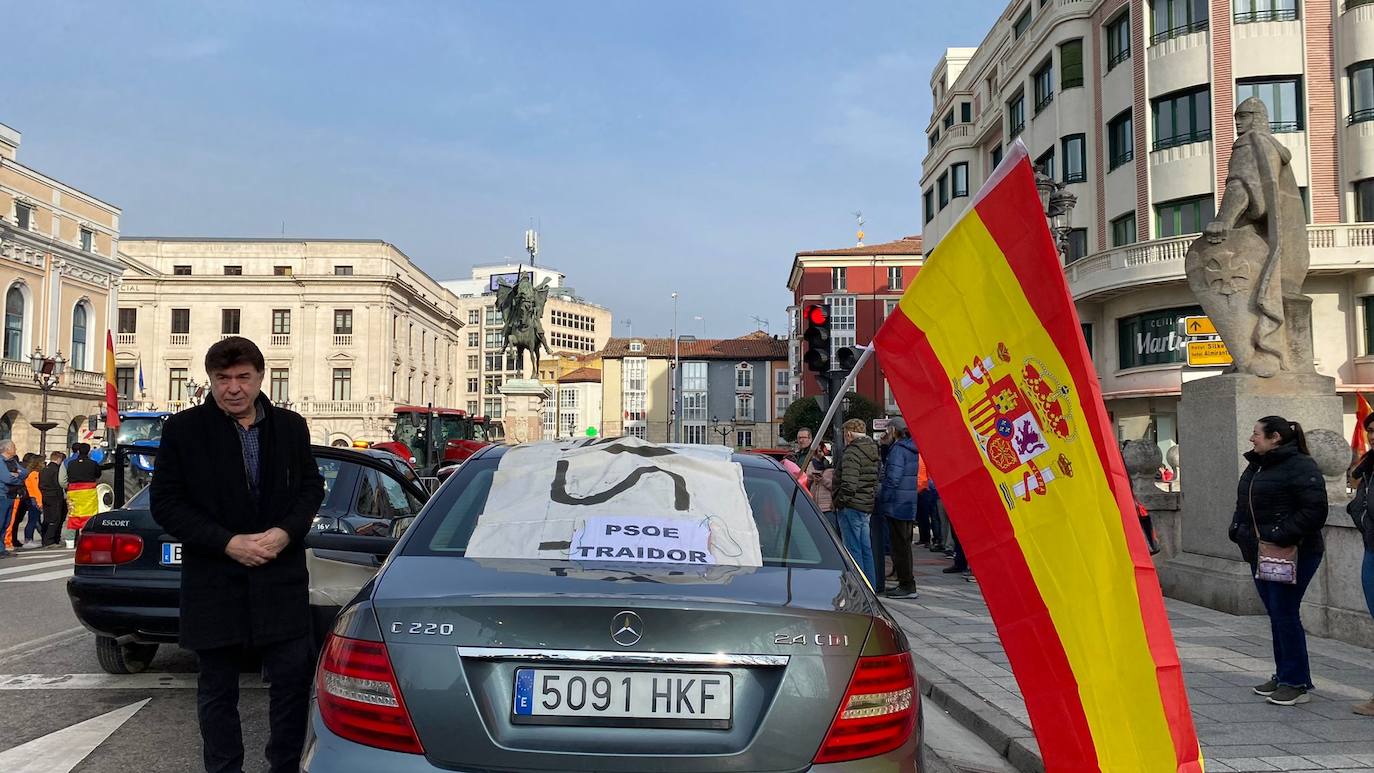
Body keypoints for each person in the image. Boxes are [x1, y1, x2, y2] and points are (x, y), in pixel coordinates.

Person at [151, 336, 324, 773]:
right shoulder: (183, 430)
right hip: (214, 581)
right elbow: (167, 503)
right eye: (222, 378)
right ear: (210, 380)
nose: (233, 388)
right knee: (216, 691)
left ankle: (283, 766)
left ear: (260, 377)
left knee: (291, 684)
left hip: (279, 578)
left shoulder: (291, 426)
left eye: (243, 377)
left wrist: (286, 533)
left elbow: (310, 488)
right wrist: (227, 542)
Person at [1227, 415, 1327, 706]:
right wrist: (1237, 530)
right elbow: (1243, 503)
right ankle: (1286, 675)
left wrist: (1277, 534)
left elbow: (1314, 511)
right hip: (1260, 552)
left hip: (1294, 551)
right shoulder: (1257, 465)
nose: (1251, 438)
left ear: (1275, 438)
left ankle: (1295, 683)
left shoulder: (1301, 466)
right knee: (1277, 614)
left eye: (1256, 433)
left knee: (1285, 613)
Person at [1348, 410, 1374, 715]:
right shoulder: (1367, 466)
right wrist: (1362, 518)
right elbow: (1360, 505)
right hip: (1371, 549)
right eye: (1370, 431)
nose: (1371, 436)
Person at [834, 418, 880, 589]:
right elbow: (875, 481)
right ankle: (870, 587)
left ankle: (859, 589)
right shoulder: (872, 450)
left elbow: (848, 484)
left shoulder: (852, 452)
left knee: (853, 550)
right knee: (865, 549)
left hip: (851, 506)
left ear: (849, 433)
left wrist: (839, 502)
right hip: (865, 504)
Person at [878, 418, 919, 599]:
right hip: (908, 502)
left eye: (887, 431)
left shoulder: (898, 450)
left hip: (897, 503)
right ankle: (906, 582)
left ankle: (907, 585)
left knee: (899, 547)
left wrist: (883, 498)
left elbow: (893, 478)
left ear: (893, 430)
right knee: (904, 545)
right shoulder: (911, 448)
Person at [64, 444, 101, 547]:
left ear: (78, 451)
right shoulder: (93, 463)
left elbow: (67, 475)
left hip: (73, 491)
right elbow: (98, 474)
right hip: (88, 491)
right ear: (89, 452)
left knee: (73, 515)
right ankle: (86, 538)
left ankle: (70, 541)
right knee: (89, 515)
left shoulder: (71, 463)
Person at [38, 452, 67, 548]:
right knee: (55, 518)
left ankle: (44, 539)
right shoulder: (57, 470)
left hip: (45, 495)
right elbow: (58, 483)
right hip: (55, 496)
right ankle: (50, 540)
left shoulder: (44, 469)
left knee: (47, 518)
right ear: (59, 459)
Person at [0, 441, 21, 558]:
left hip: (9, 495)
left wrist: (17, 476)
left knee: (5, 523)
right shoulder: (1, 461)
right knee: (1, 522)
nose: (16, 448)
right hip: (2, 495)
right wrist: (17, 480)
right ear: (7, 449)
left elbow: (24, 473)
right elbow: (7, 478)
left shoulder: (11, 461)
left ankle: (1, 548)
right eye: (14, 447)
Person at [19, 453, 43, 547]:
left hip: (32, 498)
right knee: (33, 520)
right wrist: (39, 502)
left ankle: (29, 539)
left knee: (34, 520)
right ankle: (28, 539)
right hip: (34, 498)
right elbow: (36, 489)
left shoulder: (31, 473)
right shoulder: (34, 474)